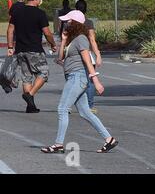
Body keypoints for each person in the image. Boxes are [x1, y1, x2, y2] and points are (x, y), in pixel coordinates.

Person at [41, 10, 118, 153]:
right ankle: (109, 139)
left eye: (68, 21)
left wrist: (96, 81)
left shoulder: (81, 38)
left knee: (62, 109)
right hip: (73, 77)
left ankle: (58, 144)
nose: (65, 23)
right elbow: (60, 57)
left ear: (75, 23)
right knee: (85, 112)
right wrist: (63, 40)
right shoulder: (72, 39)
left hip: (78, 77)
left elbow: (87, 60)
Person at [7, 0, 57, 113]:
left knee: (27, 77)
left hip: (20, 50)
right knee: (44, 73)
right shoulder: (40, 13)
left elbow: (10, 30)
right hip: (34, 49)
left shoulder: (17, 12)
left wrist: (10, 47)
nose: (41, 1)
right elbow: (47, 32)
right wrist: (53, 44)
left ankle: (30, 106)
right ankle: (30, 94)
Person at [75, 0, 102, 113]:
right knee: (90, 79)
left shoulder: (71, 22)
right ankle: (90, 106)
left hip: (74, 54)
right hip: (88, 53)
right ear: (85, 9)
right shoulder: (88, 22)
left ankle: (71, 103)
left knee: (73, 80)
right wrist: (98, 54)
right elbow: (92, 39)